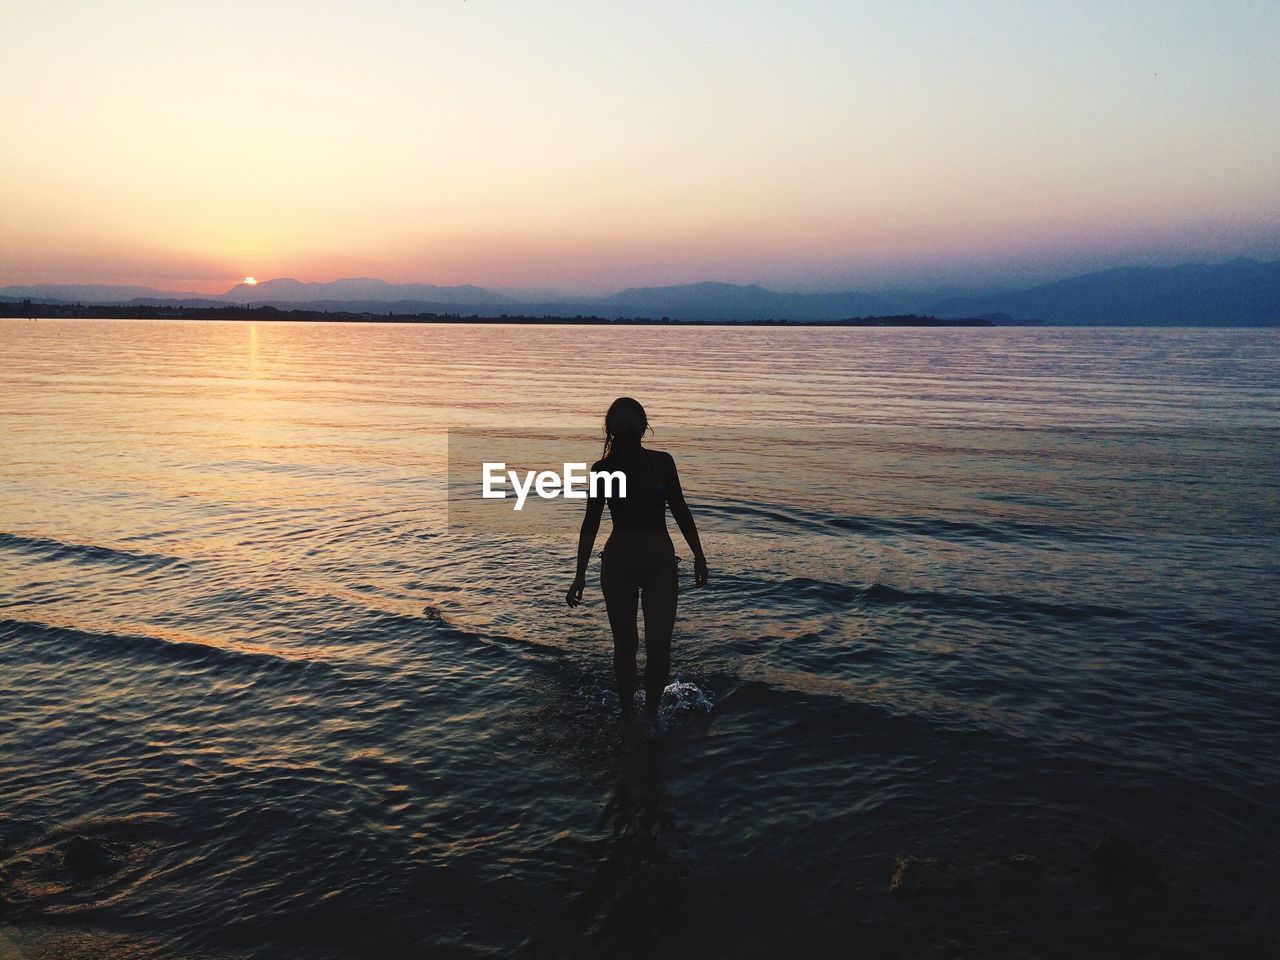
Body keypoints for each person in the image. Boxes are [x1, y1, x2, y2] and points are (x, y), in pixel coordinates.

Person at [565, 397, 709, 737]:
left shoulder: (662, 463)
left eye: (633, 426)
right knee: (626, 646)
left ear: (644, 427)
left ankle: (652, 715)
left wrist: (699, 555)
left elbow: (681, 509)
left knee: (659, 648)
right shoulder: (602, 470)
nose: (626, 433)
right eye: (619, 427)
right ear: (610, 430)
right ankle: (629, 716)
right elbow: (591, 522)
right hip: (618, 566)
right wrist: (579, 574)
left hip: (660, 564)